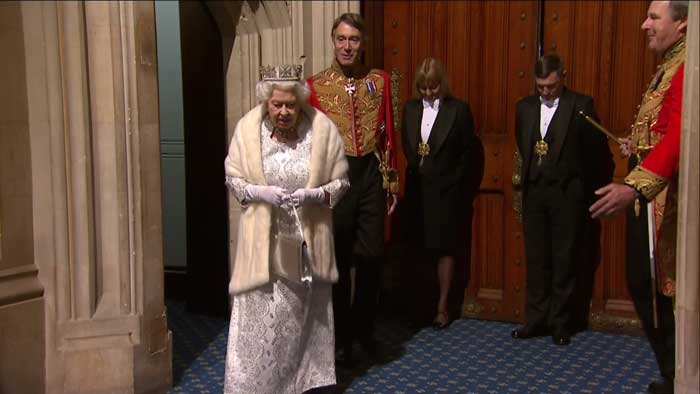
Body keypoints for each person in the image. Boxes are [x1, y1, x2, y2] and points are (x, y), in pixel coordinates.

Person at [223, 64, 349, 393]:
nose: (283, 111)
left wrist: (316, 194)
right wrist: (256, 192)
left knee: (298, 320)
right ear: (266, 102)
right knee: (260, 324)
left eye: (290, 105)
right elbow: (233, 177)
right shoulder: (248, 132)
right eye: (277, 104)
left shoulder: (320, 132)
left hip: (304, 245)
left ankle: (300, 384)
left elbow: (341, 182)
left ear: (300, 102)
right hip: (261, 247)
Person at [590, 1, 687, 392]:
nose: (645, 24)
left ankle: (680, 375)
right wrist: (640, 144)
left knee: (665, 292)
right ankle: (673, 373)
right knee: (645, 284)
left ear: (681, 24)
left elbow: (681, 134)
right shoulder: (670, 64)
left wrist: (632, 187)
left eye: (654, 17)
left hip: (668, 199)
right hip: (652, 190)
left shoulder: (687, 68)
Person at [307, 13, 398, 364]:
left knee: (372, 256)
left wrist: (391, 182)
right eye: (342, 39)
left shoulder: (380, 80)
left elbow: (387, 132)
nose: (347, 46)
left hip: (371, 175)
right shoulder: (315, 86)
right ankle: (342, 336)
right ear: (333, 40)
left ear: (363, 44)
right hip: (336, 177)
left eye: (354, 40)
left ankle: (365, 329)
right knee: (340, 260)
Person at [512, 54, 614, 346]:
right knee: (537, 257)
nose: (546, 92)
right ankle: (536, 319)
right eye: (541, 86)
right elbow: (524, 143)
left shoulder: (581, 106)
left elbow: (596, 153)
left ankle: (560, 322)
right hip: (535, 192)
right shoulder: (524, 107)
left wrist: (588, 190)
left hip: (567, 193)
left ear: (563, 77)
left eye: (552, 86)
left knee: (564, 257)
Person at [399, 57, 475, 330]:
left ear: (442, 84)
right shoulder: (409, 109)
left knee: (445, 249)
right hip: (417, 190)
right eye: (423, 89)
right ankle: (421, 305)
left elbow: (468, 154)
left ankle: (443, 308)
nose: (429, 93)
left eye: (433, 88)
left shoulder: (459, 110)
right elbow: (407, 145)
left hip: (446, 193)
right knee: (419, 249)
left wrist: (454, 185)